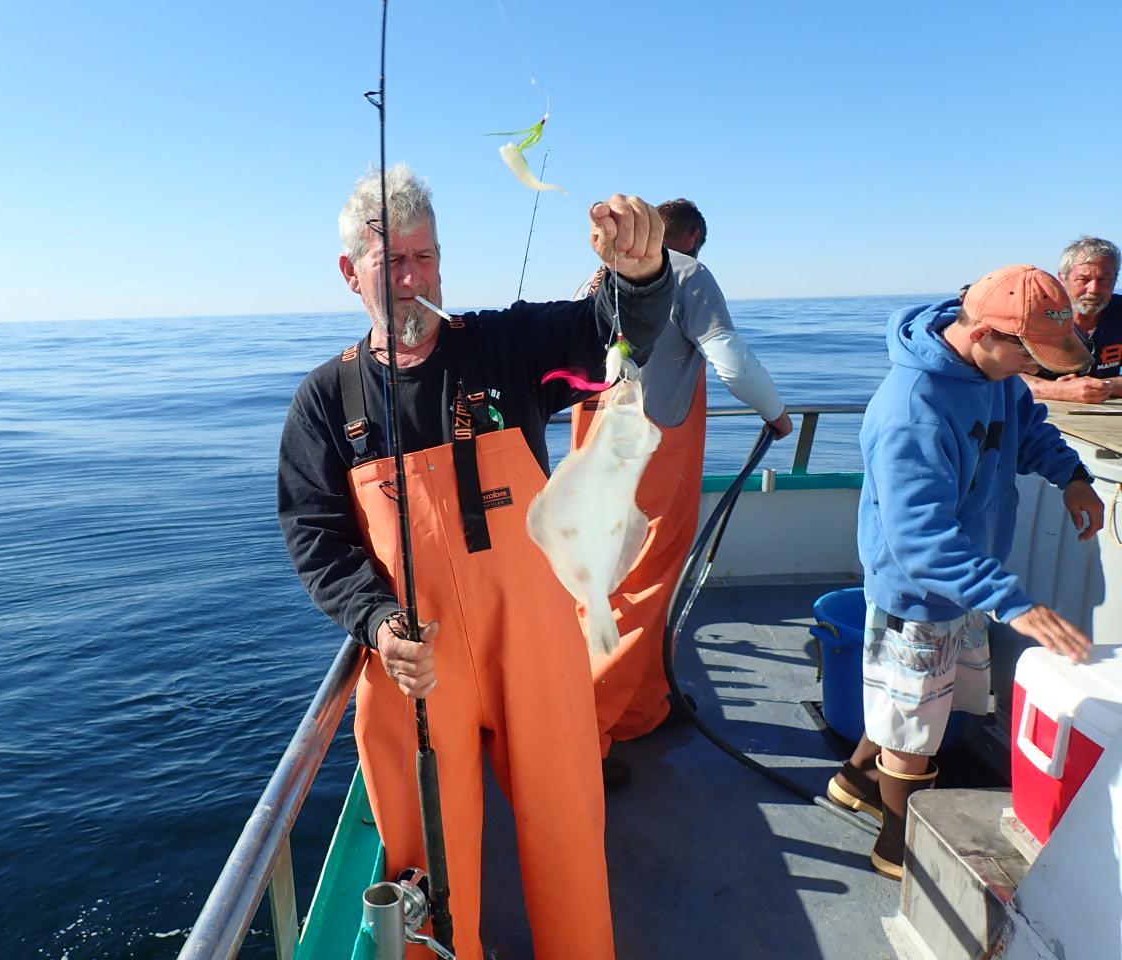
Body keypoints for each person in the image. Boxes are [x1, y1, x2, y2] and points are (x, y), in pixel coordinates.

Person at [276, 164, 673, 960]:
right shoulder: (327, 402)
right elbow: (316, 537)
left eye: (426, 258)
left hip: (535, 643)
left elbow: (605, 336)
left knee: (567, 829)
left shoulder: (503, 346)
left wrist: (641, 277)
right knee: (428, 864)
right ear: (351, 274)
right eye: (394, 263)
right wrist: (376, 621)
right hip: (415, 660)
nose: (414, 278)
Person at [826, 265, 1105, 881]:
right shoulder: (911, 412)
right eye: (1029, 355)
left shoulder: (996, 377)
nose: (1035, 369)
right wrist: (1014, 603)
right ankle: (896, 847)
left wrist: (1073, 477)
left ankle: (851, 782)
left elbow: (1028, 426)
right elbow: (920, 539)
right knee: (915, 719)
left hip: (967, 578)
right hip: (919, 591)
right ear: (983, 334)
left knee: (919, 700)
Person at [569, 198, 792, 785]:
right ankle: (582, 739)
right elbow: (731, 361)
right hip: (651, 458)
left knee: (601, 579)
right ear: (689, 236)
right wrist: (776, 412)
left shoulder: (595, 275)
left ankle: (641, 710)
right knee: (637, 588)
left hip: (594, 452)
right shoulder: (688, 272)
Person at [1020, 236, 1122, 402]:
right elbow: (997, 374)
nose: (1094, 289)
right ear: (1062, 278)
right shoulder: (1030, 315)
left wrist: (1102, 386)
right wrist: (1058, 390)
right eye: (1083, 280)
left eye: (1104, 279)